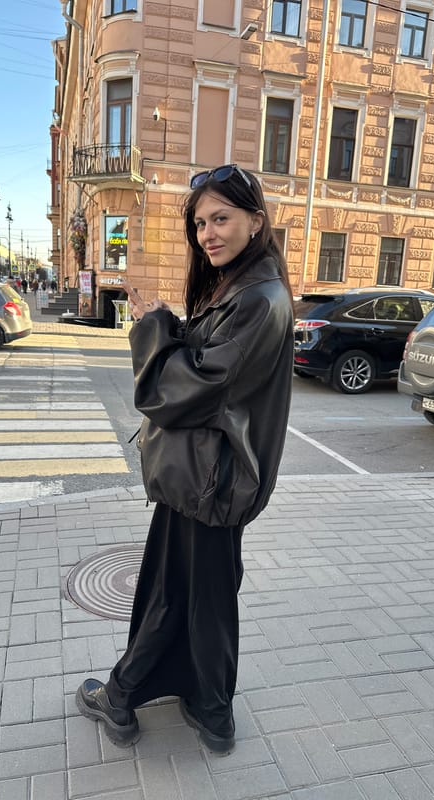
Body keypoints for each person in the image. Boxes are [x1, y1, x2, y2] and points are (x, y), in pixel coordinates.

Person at [75, 164, 294, 755]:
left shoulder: (258, 298)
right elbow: (211, 364)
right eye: (200, 223)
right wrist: (172, 321)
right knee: (205, 596)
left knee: (173, 593)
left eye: (221, 218)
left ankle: (122, 694)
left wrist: (151, 329)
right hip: (210, 479)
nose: (208, 234)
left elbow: (189, 388)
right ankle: (207, 705)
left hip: (209, 479)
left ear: (256, 219)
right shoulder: (248, 289)